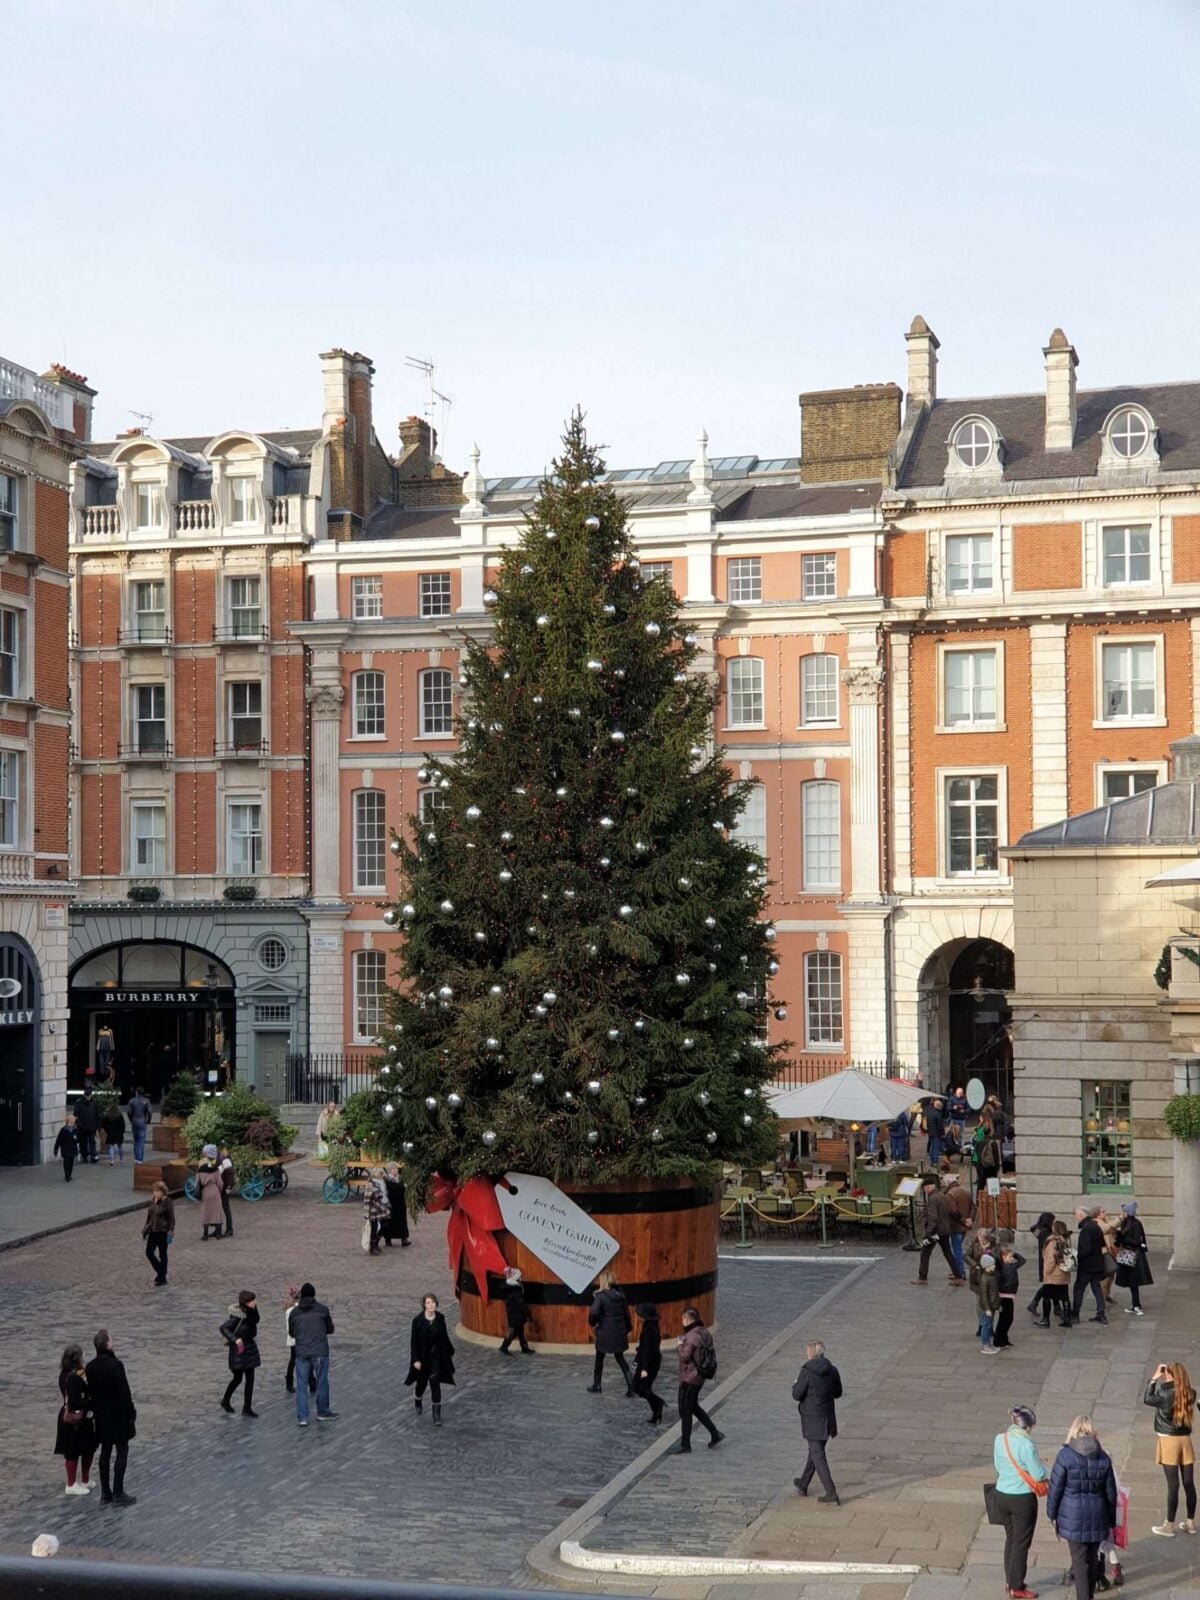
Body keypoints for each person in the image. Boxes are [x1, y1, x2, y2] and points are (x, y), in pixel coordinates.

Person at [1047, 1416, 1118, 1600]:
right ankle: (1089, 1594)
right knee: (1093, 1558)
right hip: (1098, 1513)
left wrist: (1052, 1514)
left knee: (1079, 1561)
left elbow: (1055, 1489)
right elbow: (1111, 1492)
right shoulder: (1103, 1457)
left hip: (1072, 1516)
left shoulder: (1065, 1456)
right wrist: (1111, 1519)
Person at [993, 1404, 1048, 1600]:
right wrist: (1044, 1466)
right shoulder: (1027, 1444)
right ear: (1028, 1426)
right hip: (1022, 1498)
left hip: (1001, 1494)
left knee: (1011, 1538)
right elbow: (1038, 1474)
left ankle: (1009, 1579)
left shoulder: (1000, 1439)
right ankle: (1017, 1586)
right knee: (1022, 1543)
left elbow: (998, 1466)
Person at [1144, 1361, 1196, 1536]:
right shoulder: (1191, 1393)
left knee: (1173, 1486)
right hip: (1185, 1441)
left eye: (1167, 1374)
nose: (1165, 1375)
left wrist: (1154, 1379)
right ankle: (1190, 1522)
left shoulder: (1165, 1394)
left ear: (1172, 1376)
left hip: (1168, 1442)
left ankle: (1169, 1525)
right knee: (1189, 1483)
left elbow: (1147, 1399)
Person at [85, 1330, 137, 1507]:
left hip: (101, 1417)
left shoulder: (90, 1367)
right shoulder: (116, 1365)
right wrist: (131, 1413)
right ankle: (118, 1491)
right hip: (118, 1416)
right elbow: (124, 1394)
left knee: (105, 1453)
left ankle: (105, 1493)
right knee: (122, 1451)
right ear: (108, 1344)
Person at [791, 1339, 843, 1505]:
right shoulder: (832, 1370)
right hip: (827, 1418)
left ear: (810, 1354)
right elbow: (838, 1392)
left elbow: (797, 1395)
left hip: (812, 1419)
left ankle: (831, 1492)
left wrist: (794, 1385)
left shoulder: (806, 1372)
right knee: (815, 1451)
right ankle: (803, 1483)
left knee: (818, 1455)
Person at [675, 1307, 724, 1454]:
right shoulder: (705, 1332)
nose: (682, 1322)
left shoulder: (691, 1336)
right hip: (701, 1375)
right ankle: (715, 1433)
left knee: (686, 1410)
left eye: (683, 1319)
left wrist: (679, 1344)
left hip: (690, 1376)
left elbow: (684, 1356)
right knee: (693, 1406)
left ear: (688, 1320)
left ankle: (685, 1444)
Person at [288, 1282, 336, 1426]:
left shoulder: (294, 1313)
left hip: (302, 1351)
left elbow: (292, 1332)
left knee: (301, 1385)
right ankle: (322, 1411)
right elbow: (330, 1329)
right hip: (320, 1351)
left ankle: (302, 1417)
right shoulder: (322, 1310)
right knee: (322, 1381)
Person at [406, 1292, 456, 1425]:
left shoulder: (440, 1318)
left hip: (436, 1357)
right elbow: (414, 1342)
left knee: (435, 1382)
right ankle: (418, 1398)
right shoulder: (417, 1321)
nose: (431, 1305)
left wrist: (450, 1350)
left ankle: (436, 1414)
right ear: (424, 1305)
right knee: (421, 1384)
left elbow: (444, 1336)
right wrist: (415, 1359)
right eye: (428, 1303)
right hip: (422, 1358)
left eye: (433, 1302)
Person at [54, 1344, 95, 1496]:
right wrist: (91, 1402)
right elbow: (75, 1401)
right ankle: (71, 1483)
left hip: (80, 1417)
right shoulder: (72, 1377)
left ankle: (85, 1479)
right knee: (73, 1451)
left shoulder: (68, 1374)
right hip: (74, 1419)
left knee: (87, 1448)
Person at [912, 1175, 966, 1286]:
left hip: (936, 1232)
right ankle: (958, 1276)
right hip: (945, 1230)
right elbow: (951, 1212)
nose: (923, 1191)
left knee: (925, 1252)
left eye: (923, 1188)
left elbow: (933, 1217)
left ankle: (922, 1277)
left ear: (927, 1187)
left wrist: (928, 1233)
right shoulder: (943, 1195)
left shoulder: (932, 1199)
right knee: (948, 1253)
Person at [586, 1269, 633, 1394]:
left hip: (605, 1332)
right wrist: (628, 1329)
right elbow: (626, 1314)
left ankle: (597, 1384)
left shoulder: (601, 1297)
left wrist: (592, 1322)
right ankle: (631, 1385)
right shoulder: (621, 1295)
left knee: (599, 1358)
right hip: (619, 1332)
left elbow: (594, 1312)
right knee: (620, 1358)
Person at [219, 1289, 261, 1417]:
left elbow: (256, 1320)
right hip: (239, 1350)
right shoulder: (237, 1316)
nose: (254, 1302)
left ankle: (247, 1408)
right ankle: (225, 1400)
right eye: (251, 1300)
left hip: (250, 1347)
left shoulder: (252, 1313)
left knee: (250, 1379)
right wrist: (235, 1339)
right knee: (237, 1378)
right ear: (246, 1303)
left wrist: (254, 1308)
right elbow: (223, 1328)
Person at [1113, 1201, 1152, 1316]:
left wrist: (1122, 1238)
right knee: (1131, 1282)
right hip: (1129, 1254)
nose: (1122, 1213)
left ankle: (1136, 1305)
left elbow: (1136, 1241)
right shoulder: (1126, 1222)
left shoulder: (1135, 1224)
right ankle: (1136, 1304)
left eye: (1124, 1211)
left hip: (1134, 1255)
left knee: (1134, 1281)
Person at [1072, 1206, 1108, 1325]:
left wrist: (1077, 1256)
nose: (1075, 1217)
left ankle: (1075, 1314)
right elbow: (1102, 1244)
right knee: (1096, 1288)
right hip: (1098, 1263)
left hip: (1087, 1266)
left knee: (1079, 1289)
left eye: (1076, 1215)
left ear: (1081, 1216)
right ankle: (1101, 1314)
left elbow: (1086, 1249)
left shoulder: (1086, 1229)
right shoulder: (1095, 1226)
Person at [632, 1302, 664, 1424]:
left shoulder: (650, 1329)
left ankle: (658, 1405)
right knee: (642, 1388)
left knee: (641, 1387)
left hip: (649, 1363)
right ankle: (657, 1410)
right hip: (648, 1361)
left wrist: (644, 1368)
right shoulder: (650, 1325)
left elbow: (647, 1349)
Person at [284, 1285, 318, 1396]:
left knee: (293, 1360)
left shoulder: (289, 1309)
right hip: (299, 1339)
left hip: (293, 1339)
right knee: (305, 1360)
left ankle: (290, 1382)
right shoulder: (297, 1310)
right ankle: (311, 1382)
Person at [1041, 1218, 1074, 1329]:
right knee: (1065, 1296)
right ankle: (1068, 1319)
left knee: (1046, 1296)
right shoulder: (1065, 1240)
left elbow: (1051, 1259)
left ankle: (1045, 1319)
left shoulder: (1053, 1242)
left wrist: (1047, 1272)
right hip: (1063, 1273)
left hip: (1053, 1274)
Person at [141, 1179, 175, 1287]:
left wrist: (170, 1232)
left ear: (162, 1192)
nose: (155, 1193)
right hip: (153, 1230)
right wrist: (146, 1228)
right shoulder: (153, 1200)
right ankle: (161, 1272)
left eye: (157, 1191)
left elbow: (171, 1219)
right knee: (149, 1252)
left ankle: (162, 1277)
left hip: (162, 1231)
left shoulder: (168, 1202)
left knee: (162, 1254)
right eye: (154, 1191)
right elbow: (150, 1215)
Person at [993, 1241, 1026, 1350]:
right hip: (1003, 1295)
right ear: (1003, 1257)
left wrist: (1014, 1253)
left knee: (1009, 1318)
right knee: (1004, 1318)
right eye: (1010, 1257)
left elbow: (1022, 1260)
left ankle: (1004, 1338)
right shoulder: (1000, 1267)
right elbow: (997, 1282)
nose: (1012, 1258)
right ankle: (998, 1340)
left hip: (1010, 1295)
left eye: (1012, 1257)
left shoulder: (1012, 1265)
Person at [1027, 1211, 1056, 1321]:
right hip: (1046, 1261)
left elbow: (1033, 1227)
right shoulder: (1045, 1233)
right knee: (1049, 1284)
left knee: (1052, 1284)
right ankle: (1034, 1303)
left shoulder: (1042, 1231)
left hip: (1044, 1261)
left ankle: (1036, 1303)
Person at [498, 1267, 534, 1355]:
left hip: (512, 1311)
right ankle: (504, 1346)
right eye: (519, 1277)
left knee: (519, 1330)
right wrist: (528, 1314)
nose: (520, 1278)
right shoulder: (516, 1290)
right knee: (515, 1331)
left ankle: (524, 1347)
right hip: (517, 1313)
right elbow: (521, 1303)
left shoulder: (507, 1287)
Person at [945, 1173, 973, 1280]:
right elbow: (973, 1207)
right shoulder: (966, 1192)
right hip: (964, 1226)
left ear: (948, 1183)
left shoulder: (950, 1194)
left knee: (957, 1249)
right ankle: (957, 1271)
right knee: (958, 1248)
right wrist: (970, 1219)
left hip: (956, 1226)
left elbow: (953, 1211)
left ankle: (960, 1272)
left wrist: (964, 1220)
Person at [196, 1145, 224, 1240]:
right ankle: (218, 1233)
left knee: (206, 1212)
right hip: (214, 1190)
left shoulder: (200, 1171)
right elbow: (220, 1183)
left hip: (205, 1191)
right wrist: (219, 1190)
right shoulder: (215, 1170)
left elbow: (197, 1182)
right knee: (217, 1212)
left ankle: (205, 1234)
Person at [976, 1253, 1000, 1355]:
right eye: (992, 1265)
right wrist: (987, 1308)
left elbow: (995, 1292)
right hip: (988, 1307)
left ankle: (989, 1345)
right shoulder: (985, 1279)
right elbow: (984, 1295)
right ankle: (985, 1345)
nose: (994, 1266)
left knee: (989, 1325)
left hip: (992, 1305)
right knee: (986, 1326)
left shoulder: (991, 1276)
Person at [364, 1168, 390, 1254]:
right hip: (374, 1210)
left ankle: (376, 1243)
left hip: (383, 1209)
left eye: (382, 1174)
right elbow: (367, 1200)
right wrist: (366, 1213)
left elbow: (385, 1195)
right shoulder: (370, 1185)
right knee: (374, 1228)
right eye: (380, 1174)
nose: (382, 1176)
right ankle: (373, 1246)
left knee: (384, 1226)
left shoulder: (382, 1183)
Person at [383, 1164, 410, 1246]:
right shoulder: (386, 1180)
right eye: (393, 1169)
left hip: (401, 1203)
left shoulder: (400, 1179)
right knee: (389, 1222)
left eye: (396, 1168)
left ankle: (404, 1239)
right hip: (391, 1203)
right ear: (389, 1170)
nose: (395, 1170)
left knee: (402, 1221)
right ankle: (388, 1240)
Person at [74, 1088, 99, 1164]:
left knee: (92, 1142)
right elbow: (75, 1115)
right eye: (87, 1096)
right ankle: (85, 1156)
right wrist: (79, 1124)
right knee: (83, 1143)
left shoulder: (94, 1103)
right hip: (82, 1127)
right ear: (84, 1095)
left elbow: (97, 1115)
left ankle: (93, 1156)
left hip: (91, 1126)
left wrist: (96, 1126)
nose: (88, 1097)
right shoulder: (79, 1103)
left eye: (89, 1096)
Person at [127, 1086, 151, 1164]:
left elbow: (129, 1112)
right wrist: (148, 1120)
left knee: (136, 1140)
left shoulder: (132, 1101)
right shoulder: (146, 1101)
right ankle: (140, 1158)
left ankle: (136, 1156)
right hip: (142, 1121)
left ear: (136, 1092)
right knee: (141, 1140)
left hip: (134, 1121)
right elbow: (150, 1111)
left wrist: (131, 1120)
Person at [53, 1115, 78, 1183]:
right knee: (66, 1162)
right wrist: (56, 1149)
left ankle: (69, 1174)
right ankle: (67, 1175)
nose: (71, 1125)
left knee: (71, 1162)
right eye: (70, 1123)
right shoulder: (63, 1130)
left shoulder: (75, 1129)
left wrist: (76, 1139)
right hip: (65, 1148)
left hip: (72, 1148)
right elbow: (58, 1140)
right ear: (67, 1122)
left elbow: (77, 1139)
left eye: (73, 1123)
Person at [218, 1147, 236, 1239]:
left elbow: (230, 1176)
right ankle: (219, 1229)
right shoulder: (221, 1160)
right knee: (221, 1209)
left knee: (226, 1209)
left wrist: (229, 1187)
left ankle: (229, 1229)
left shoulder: (225, 1162)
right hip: (221, 1188)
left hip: (224, 1188)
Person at [924, 1098, 946, 1168]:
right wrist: (942, 1133)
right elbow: (940, 1125)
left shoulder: (930, 1112)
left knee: (932, 1146)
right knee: (936, 1147)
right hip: (936, 1133)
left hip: (931, 1132)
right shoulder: (937, 1114)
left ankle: (932, 1160)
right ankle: (935, 1161)